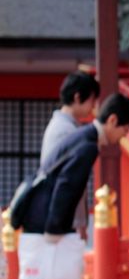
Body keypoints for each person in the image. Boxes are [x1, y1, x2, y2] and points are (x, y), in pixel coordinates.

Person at [21, 92, 129, 279]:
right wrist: (55, 230)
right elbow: (65, 187)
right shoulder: (87, 145)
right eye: (126, 130)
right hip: (47, 222)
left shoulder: (82, 137)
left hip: (42, 217)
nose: (124, 137)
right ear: (112, 120)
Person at [40, 71, 100, 239]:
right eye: (92, 100)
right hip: (64, 222)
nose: (93, 106)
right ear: (77, 97)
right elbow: (68, 182)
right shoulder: (66, 131)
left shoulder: (62, 127)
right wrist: (78, 223)